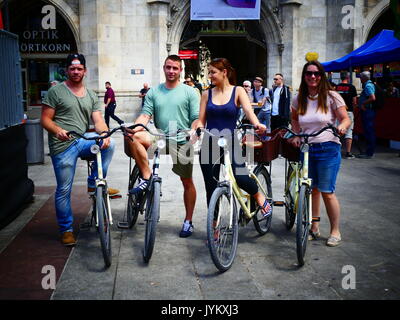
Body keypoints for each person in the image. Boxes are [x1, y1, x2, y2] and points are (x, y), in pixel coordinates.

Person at [41, 53, 119, 247]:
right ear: (67, 70)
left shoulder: (91, 94)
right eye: (72, 68)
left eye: (79, 68)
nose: (76, 71)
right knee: (64, 189)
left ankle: (94, 182)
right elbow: (45, 119)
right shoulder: (56, 92)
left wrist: (105, 134)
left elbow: (98, 120)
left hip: (83, 140)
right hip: (63, 145)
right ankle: (66, 230)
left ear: (85, 71)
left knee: (110, 144)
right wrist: (58, 130)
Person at [126, 55, 200, 238]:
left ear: (180, 70)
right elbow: (145, 115)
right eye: (168, 67)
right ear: (164, 68)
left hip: (182, 139)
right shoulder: (154, 92)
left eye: (175, 68)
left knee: (187, 181)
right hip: (160, 136)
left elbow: (196, 118)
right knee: (133, 136)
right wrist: (134, 127)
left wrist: (194, 131)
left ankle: (188, 221)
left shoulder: (190, 92)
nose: (171, 71)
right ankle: (146, 176)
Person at [194, 58, 272, 219]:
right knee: (211, 187)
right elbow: (201, 119)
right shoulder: (206, 94)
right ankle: (214, 224)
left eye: (213, 72)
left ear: (224, 72)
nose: (210, 75)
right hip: (209, 143)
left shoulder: (238, 91)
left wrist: (257, 124)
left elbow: (249, 112)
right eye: (209, 72)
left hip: (230, 141)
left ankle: (258, 196)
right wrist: (197, 128)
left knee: (241, 177)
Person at [290, 60, 350, 247]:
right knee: (311, 190)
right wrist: (296, 134)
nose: (313, 77)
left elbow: (345, 118)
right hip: (307, 149)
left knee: (326, 191)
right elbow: (294, 118)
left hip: (328, 148)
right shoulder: (298, 97)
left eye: (316, 73)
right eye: (309, 73)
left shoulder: (332, 96)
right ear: (304, 76)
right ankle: (314, 227)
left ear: (322, 76)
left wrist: (341, 127)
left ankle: (335, 230)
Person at [336, 71, 358, 159]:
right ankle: (348, 152)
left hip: (337, 112)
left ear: (341, 77)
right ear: (348, 78)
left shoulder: (336, 87)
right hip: (348, 112)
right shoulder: (352, 87)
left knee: (337, 131)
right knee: (349, 132)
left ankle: (336, 151)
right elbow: (354, 101)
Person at [356, 71, 376, 159]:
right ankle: (369, 151)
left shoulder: (368, 85)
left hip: (368, 111)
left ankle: (369, 153)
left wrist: (363, 104)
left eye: (360, 77)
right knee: (368, 131)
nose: (360, 79)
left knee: (369, 131)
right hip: (368, 111)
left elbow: (372, 97)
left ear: (364, 78)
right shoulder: (368, 85)